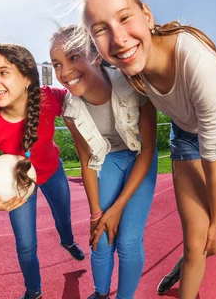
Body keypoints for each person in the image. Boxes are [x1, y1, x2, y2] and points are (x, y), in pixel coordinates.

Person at [73, 0, 216, 298]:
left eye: (124, 18)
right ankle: (191, 259)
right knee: (196, 245)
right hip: (184, 136)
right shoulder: (126, 68)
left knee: (215, 240)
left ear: (147, 15)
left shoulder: (195, 59)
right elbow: (79, 80)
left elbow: (211, 149)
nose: (119, 38)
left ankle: (189, 259)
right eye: (100, 30)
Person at [50, 25, 158, 299]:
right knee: (100, 236)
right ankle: (100, 293)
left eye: (74, 57)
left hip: (139, 157)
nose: (64, 72)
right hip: (108, 159)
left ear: (96, 56)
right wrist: (97, 214)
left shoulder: (134, 82)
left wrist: (117, 208)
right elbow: (87, 160)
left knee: (128, 241)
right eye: (57, 64)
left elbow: (147, 150)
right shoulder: (70, 112)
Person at [0, 43, 85, 299]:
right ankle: (33, 290)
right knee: (25, 246)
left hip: (53, 172)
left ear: (26, 78)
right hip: (18, 186)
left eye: (3, 72)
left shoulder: (49, 98)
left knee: (64, 220)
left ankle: (67, 241)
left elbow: (81, 98)